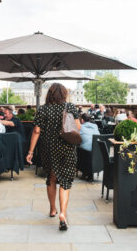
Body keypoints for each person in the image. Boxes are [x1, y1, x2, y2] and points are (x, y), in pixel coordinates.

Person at [26, 83, 81, 231]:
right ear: (64, 94)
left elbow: (36, 131)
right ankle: (62, 214)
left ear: (49, 94)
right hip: (67, 148)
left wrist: (30, 152)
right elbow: (78, 128)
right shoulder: (70, 107)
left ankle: (52, 209)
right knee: (65, 181)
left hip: (48, 149)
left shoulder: (43, 109)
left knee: (51, 178)